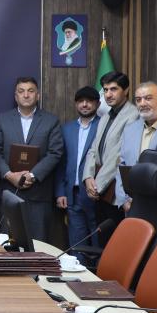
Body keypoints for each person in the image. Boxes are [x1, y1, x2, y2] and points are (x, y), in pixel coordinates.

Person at [0, 77, 63, 242]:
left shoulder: (51, 121)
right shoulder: (1, 119)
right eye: (21, 91)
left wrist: (32, 175)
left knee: (38, 246)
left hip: (39, 195)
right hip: (9, 193)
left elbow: (55, 152)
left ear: (38, 95)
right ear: (15, 96)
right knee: (8, 244)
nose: (26, 95)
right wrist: (10, 175)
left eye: (30, 91)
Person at [82, 72, 138, 229]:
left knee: (114, 237)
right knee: (102, 237)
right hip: (99, 188)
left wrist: (97, 186)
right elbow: (93, 148)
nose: (108, 94)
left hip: (114, 189)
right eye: (105, 90)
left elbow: (118, 155)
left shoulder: (133, 115)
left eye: (113, 89)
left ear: (126, 90)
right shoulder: (106, 116)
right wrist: (88, 177)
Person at [115, 81, 157, 212]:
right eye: (138, 100)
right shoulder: (130, 129)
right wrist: (123, 200)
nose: (142, 103)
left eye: (148, 98)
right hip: (131, 205)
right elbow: (121, 165)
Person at [55, 86, 101, 253]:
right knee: (76, 243)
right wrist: (60, 192)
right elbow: (61, 163)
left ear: (98, 103)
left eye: (89, 101)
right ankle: (79, 269)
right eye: (81, 101)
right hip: (72, 195)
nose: (85, 105)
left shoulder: (103, 126)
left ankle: (98, 270)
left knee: (98, 240)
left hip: (95, 194)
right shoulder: (67, 129)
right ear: (76, 104)